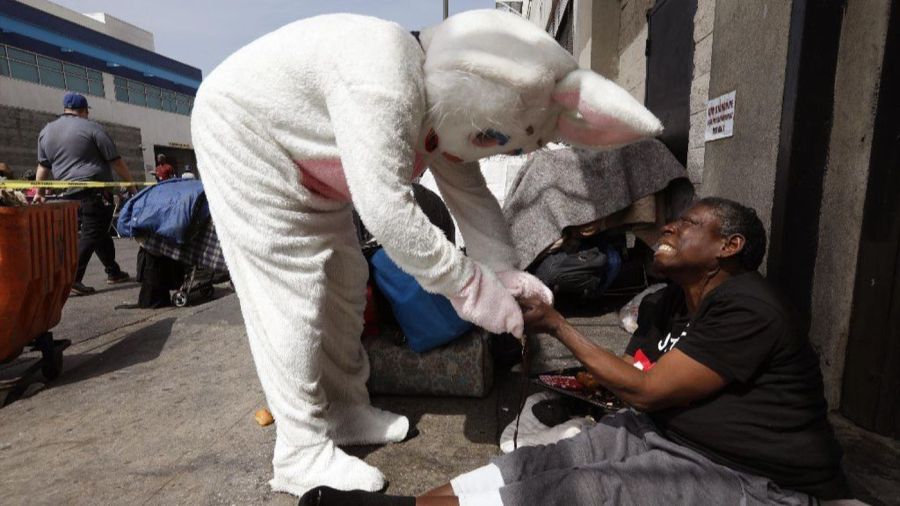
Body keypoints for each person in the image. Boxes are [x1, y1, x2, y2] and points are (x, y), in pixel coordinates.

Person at [190, 9, 662, 497]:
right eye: (492, 139)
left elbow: (471, 194)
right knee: (293, 296)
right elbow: (387, 209)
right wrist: (471, 288)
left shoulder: (441, 101)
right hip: (246, 135)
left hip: (312, 162)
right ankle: (300, 450)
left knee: (347, 282)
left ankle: (346, 409)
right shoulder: (384, 75)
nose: (491, 149)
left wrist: (504, 271)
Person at [297, 197, 851, 506]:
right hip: (664, 433)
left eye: (689, 223)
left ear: (729, 247)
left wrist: (559, 325)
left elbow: (647, 387)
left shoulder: (750, 305)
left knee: (578, 491)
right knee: (533, 462)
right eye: (674, 219)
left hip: (755, 478)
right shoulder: (667, 303)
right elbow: (637, 373)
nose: (670, 226)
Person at [35, 92, 136, 295]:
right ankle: (74, 278)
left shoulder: (46, 131)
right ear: (84, 110)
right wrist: (131, 185)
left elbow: (43, 167)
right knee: (92, 233)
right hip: (92, 193)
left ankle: (113, 271)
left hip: (66, 195)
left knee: (98, 232)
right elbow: (115, 160)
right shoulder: (92, 128)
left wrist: (40, 192)